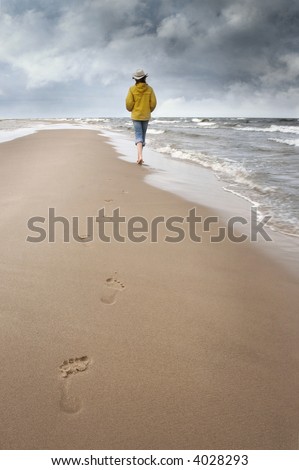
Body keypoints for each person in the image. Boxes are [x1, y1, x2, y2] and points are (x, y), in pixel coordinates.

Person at [126, 68, 157, 164]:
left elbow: (129, 104)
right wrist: (148, 110)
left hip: (136, 115)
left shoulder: (132, 89)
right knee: (142, 136)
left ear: (135, 79)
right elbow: (153, 103)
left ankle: (139, 156)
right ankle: (140, 156)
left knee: (138, 135)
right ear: (144, 77)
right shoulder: (150, 89)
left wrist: (131, 109)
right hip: (146, 116)